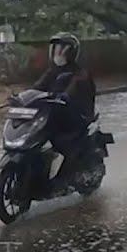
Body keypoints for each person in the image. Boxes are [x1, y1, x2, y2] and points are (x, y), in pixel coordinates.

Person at [32, 33, 96, 190]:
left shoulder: (80, 73)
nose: (58, 53)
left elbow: (72, 91)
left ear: (71, 52)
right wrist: (25, 96)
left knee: (61, 142)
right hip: (56, 113)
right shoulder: (53, 71)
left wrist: (63, 97)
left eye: (62, 49)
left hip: (75, 116)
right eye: (56, 49)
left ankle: (64, 179)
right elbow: (39, 86)